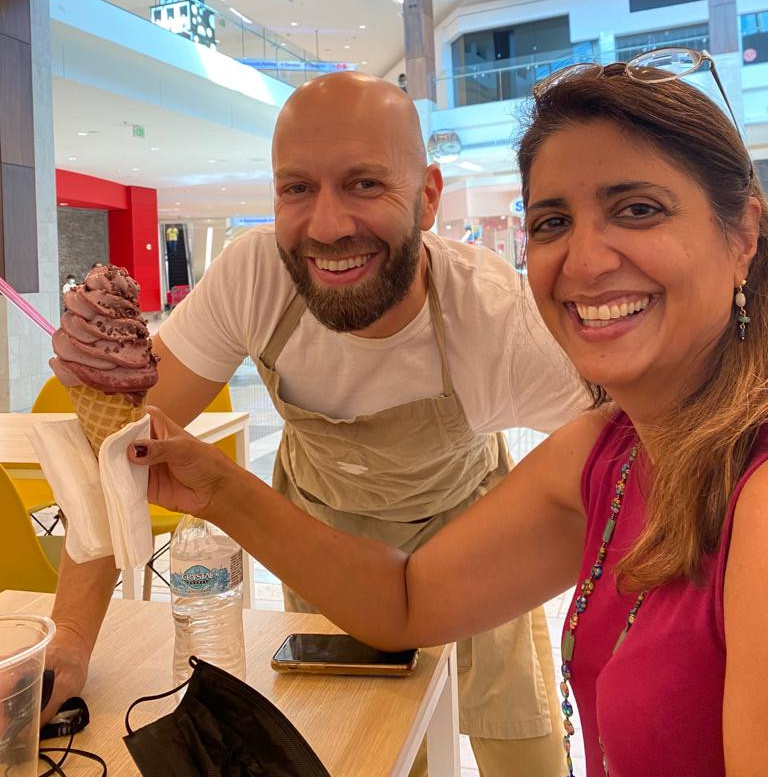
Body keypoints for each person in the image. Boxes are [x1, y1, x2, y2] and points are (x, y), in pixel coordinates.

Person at [129, 53, 768, 776]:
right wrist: (215, 487)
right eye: (554, 221)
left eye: (639, 209)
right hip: (344, 550)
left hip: (465, 523)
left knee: (519, 742)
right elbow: (406, 600)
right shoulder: (609, 455)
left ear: (743, 235)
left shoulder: (505, 328)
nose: (586, 263)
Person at [45, 72, 585, 777]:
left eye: (365, 183)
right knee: (372, 751)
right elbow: (120, 450)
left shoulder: (498, 322)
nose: (327, 227)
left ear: (428, 195)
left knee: (524, 752)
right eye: (297, 188)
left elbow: (641, 467)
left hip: (472, 539)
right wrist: (70, 638)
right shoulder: (254, 277)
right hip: (317, 546)